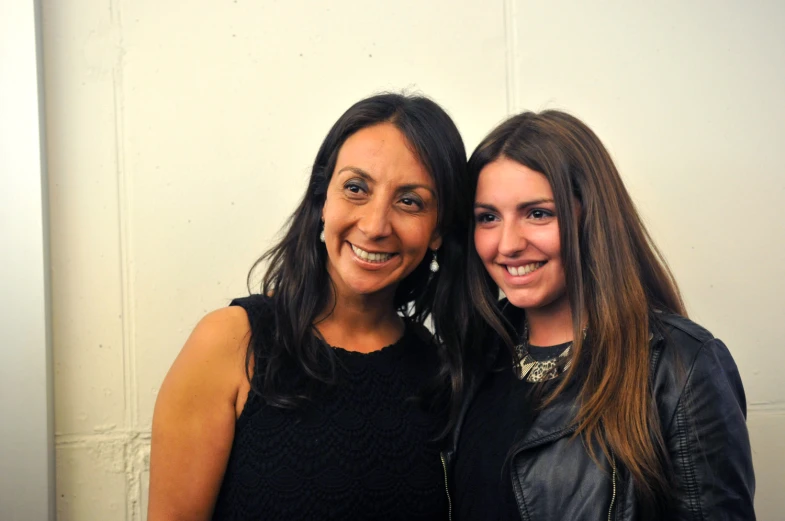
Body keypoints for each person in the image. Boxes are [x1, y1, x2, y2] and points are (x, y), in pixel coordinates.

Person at [148, 93, 476, 521]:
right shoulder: (231, 342)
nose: (376, 225)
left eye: (410, 201)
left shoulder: (437, 366)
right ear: (323, 201)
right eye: (356, 188)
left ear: (438, 230)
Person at [446, 110, 756, 520]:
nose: (507, 244)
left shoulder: (680, 364)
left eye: (538, 213)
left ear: (591, 216)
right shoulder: (474, 355)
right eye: (488, 218)